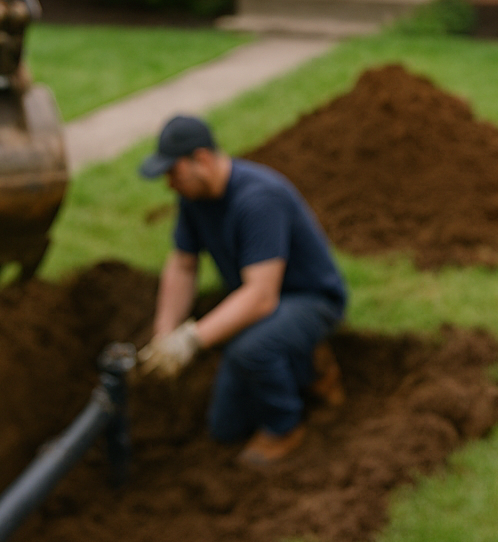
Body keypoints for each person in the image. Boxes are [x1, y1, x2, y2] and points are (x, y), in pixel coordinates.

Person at [138, 114, 348, 466]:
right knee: (224, 429)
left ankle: (285, 427)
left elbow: (261, 297)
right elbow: (183, 265)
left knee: (248, 350)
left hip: (310, 300)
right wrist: (165, 335)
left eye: (173, 173)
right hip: (265, 301)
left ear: (201, 160)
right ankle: (300, 366)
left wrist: (190, 340)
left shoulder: (257, 200)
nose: (169, 184)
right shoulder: (194, 199)